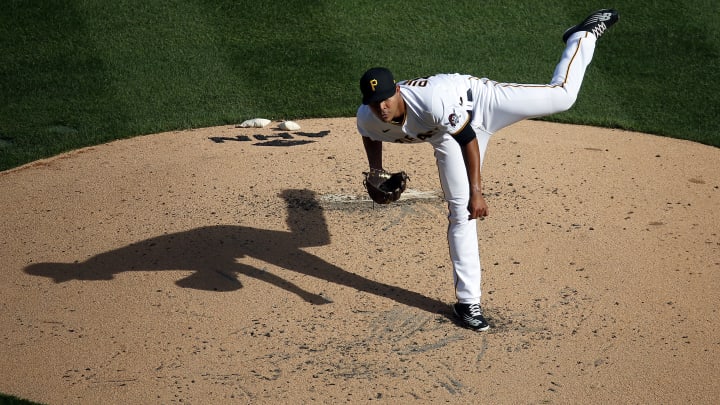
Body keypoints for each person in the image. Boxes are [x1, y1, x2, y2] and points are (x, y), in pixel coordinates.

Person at [355, 9, 619, 331]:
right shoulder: (368, 117)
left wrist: (477, 193)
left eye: (385, 99)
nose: (381, 107)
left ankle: (581, 36)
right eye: (373, 102)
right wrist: (375, 171)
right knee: (460, 213)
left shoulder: (431, 101)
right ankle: (468, 304)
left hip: (480, 101)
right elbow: (370, 135)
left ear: (396, 90)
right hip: (446, 135)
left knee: (562, 97)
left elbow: (468, 138)